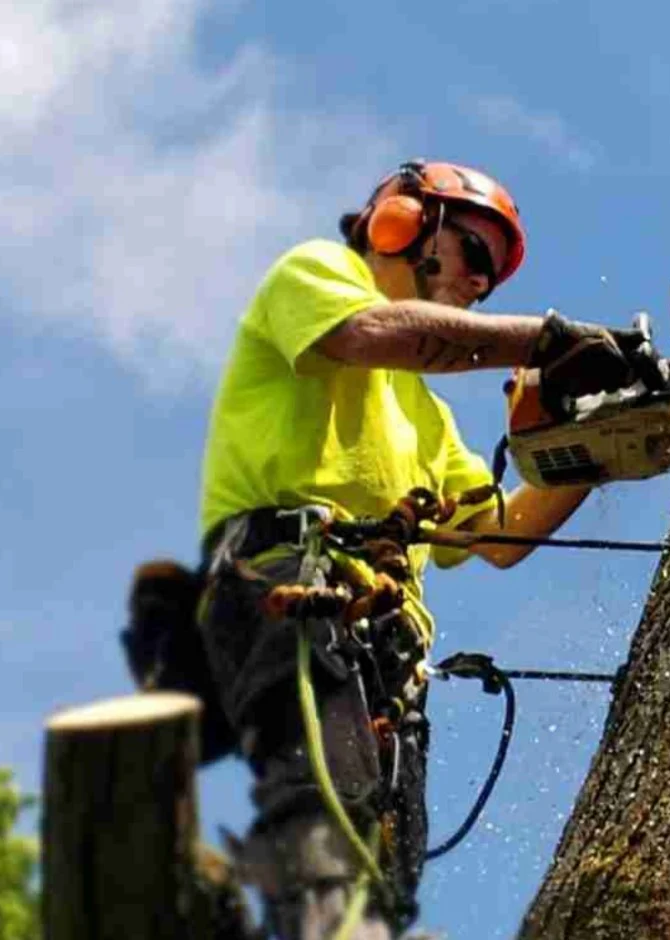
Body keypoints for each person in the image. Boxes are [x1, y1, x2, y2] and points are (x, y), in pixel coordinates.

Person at [193, 160, 636, 938]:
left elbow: (500, 537)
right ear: (402, 225)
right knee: (331, 824)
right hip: (289, 582)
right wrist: (549, 340)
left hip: (387, 652)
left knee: (387, 880)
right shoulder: (318, 276)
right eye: (474, 254)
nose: (479, 284)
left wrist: (600, 444)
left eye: (492, 278)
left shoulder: (426, 421)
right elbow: (381, 336)